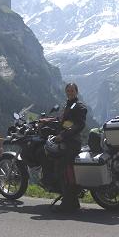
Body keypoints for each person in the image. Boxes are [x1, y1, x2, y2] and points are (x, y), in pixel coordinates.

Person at [52, 82, 87, 213]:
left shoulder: (79, 106)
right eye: (68, 90)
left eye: (72, 91)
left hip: (72, 143)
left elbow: (79, 124)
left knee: (62, 169)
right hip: (66, 140)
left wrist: (63, 135)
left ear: (76, 92)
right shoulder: (68, 104)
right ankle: (74, 201)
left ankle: (67, 203)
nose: (70, 92)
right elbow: (64, 121)